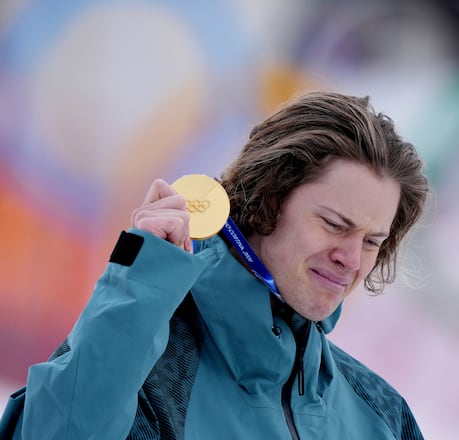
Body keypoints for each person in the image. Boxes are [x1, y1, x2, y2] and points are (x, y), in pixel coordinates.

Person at [0, 91, 430, 439]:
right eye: (334, 225)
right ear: (270, 199)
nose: (351, 260)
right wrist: (140, 287)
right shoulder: (149, 377)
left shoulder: (383, 415)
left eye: (371, 242)